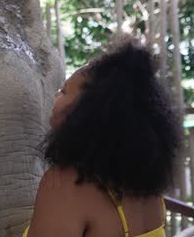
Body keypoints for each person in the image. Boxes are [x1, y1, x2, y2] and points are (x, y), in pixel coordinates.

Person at [23, 35, 181, 237]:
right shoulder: (148, 189)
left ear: (90, 111)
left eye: (63, 91)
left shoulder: (66, 184)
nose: (55, 96)